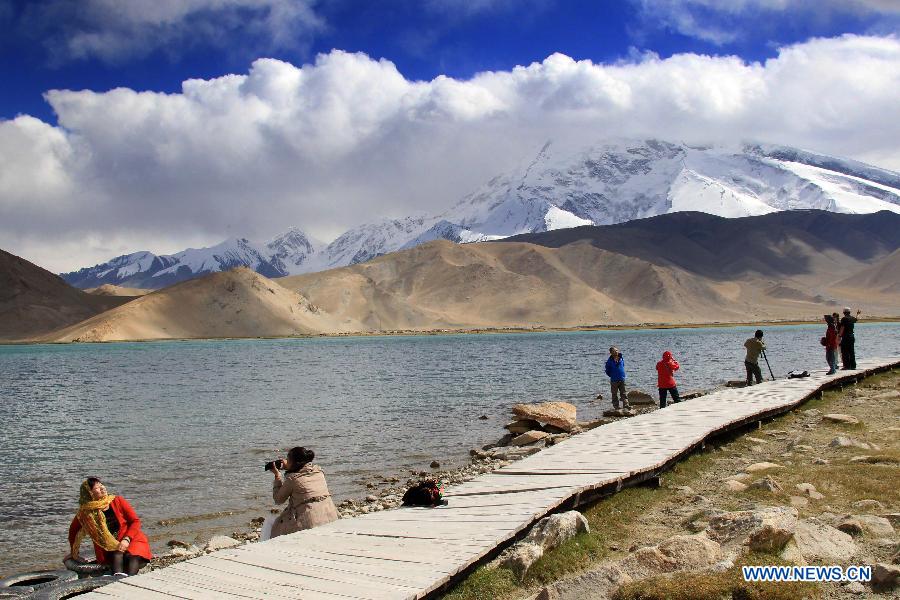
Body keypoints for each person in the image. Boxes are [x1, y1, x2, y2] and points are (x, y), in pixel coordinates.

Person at [66, 477, 151, 576]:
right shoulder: (86, 513)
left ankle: (129, 580)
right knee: (117, 555)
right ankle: (118, 580)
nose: (102, 488)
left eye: (101, 485)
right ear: (90, 494)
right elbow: (73, 531)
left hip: (132, 539)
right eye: (97, 488)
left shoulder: (117, 501)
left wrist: (126, 539)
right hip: (111, 547)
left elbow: (135, 521)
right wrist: (74, 553)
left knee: (133, 556)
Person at [270, 447, 338, 539]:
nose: (286, 461)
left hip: (310, 524)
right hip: (330, 518)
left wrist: (277, 476)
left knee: (270, 523)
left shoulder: (292, 479)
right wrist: (290, 467)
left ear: (294, 462)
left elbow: (278, 500)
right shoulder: (319, 472)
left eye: (288, 459)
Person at [604, 347, 631, 411]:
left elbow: (623, 366)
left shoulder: (621, 358)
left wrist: (622, 375)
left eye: (616, 350)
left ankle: (626, 405)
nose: (616, 352)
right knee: (614, 394)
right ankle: (616, 407)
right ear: (611, 353)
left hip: (622, 379)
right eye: (614, 351)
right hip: (614, 380)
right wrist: (612, 375)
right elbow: (607, 371)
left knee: (624, 393)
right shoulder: (609, 361)